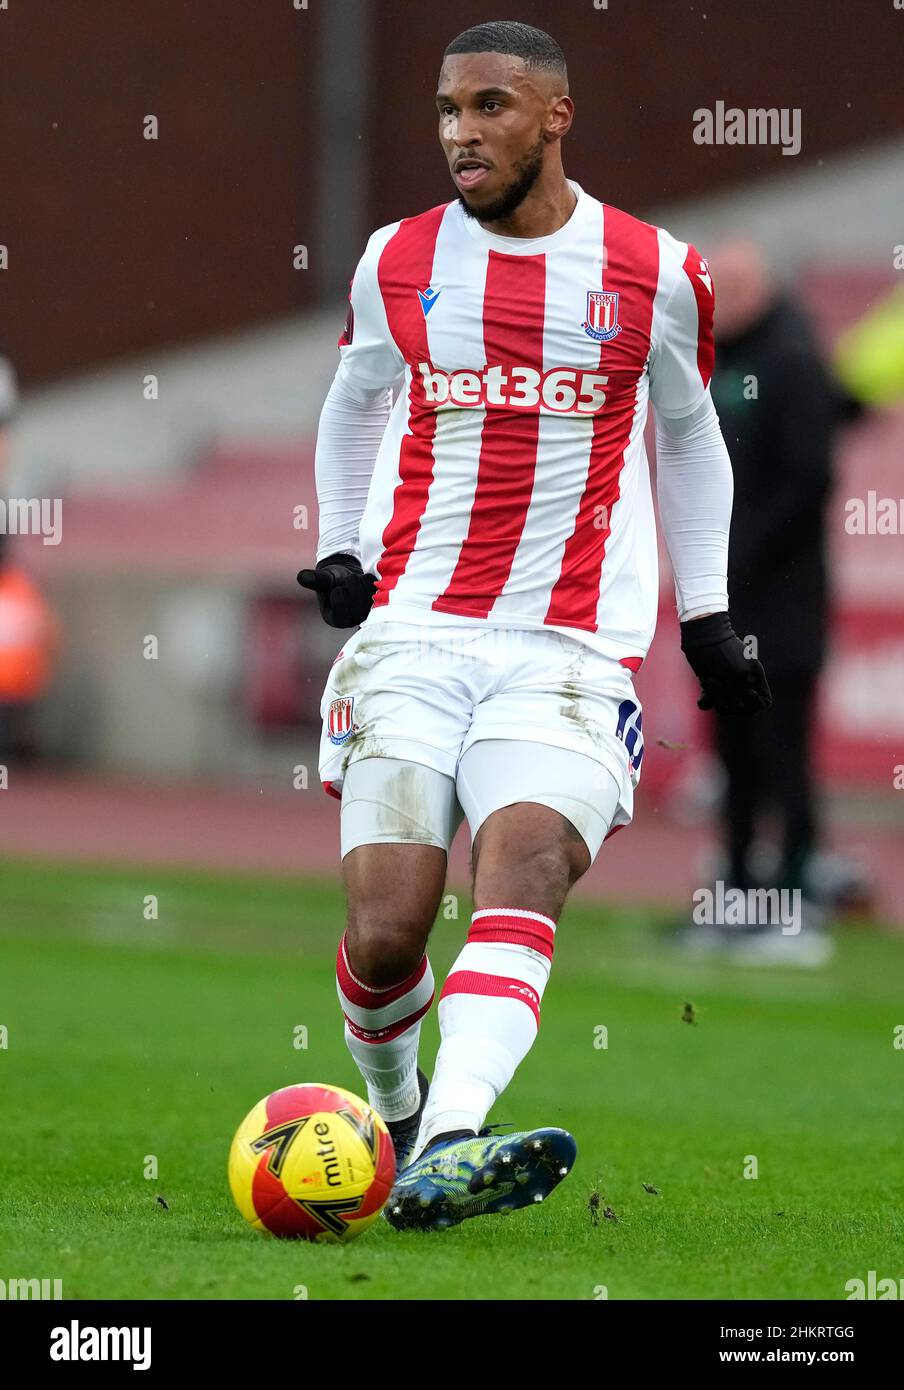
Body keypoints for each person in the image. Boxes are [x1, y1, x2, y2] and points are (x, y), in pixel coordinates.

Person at [298, 21, 770, 1233]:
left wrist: (707, 614)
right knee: (388, 926)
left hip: (566, 649)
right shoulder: (396, 260)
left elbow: (689, 435)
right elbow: (353, 399)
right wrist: (343, 542)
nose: (461, 132)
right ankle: (399, 1116)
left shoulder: (651, 268)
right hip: (412, 634)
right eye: (448, 109)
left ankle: (452, 1138)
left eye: (491, 106)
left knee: (525, 863)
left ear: (554, 117)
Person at [704, 240, 858, 947]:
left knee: (783, 750)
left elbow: (808, 479)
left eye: (732, 285)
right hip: (725, 602)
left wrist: (739, 554)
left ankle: (796, 897)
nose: (720, 300)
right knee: (730, 748)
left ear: (762, 288)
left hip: (784, 602)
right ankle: (736, 893)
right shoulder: (719, 360)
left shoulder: (793, 360)